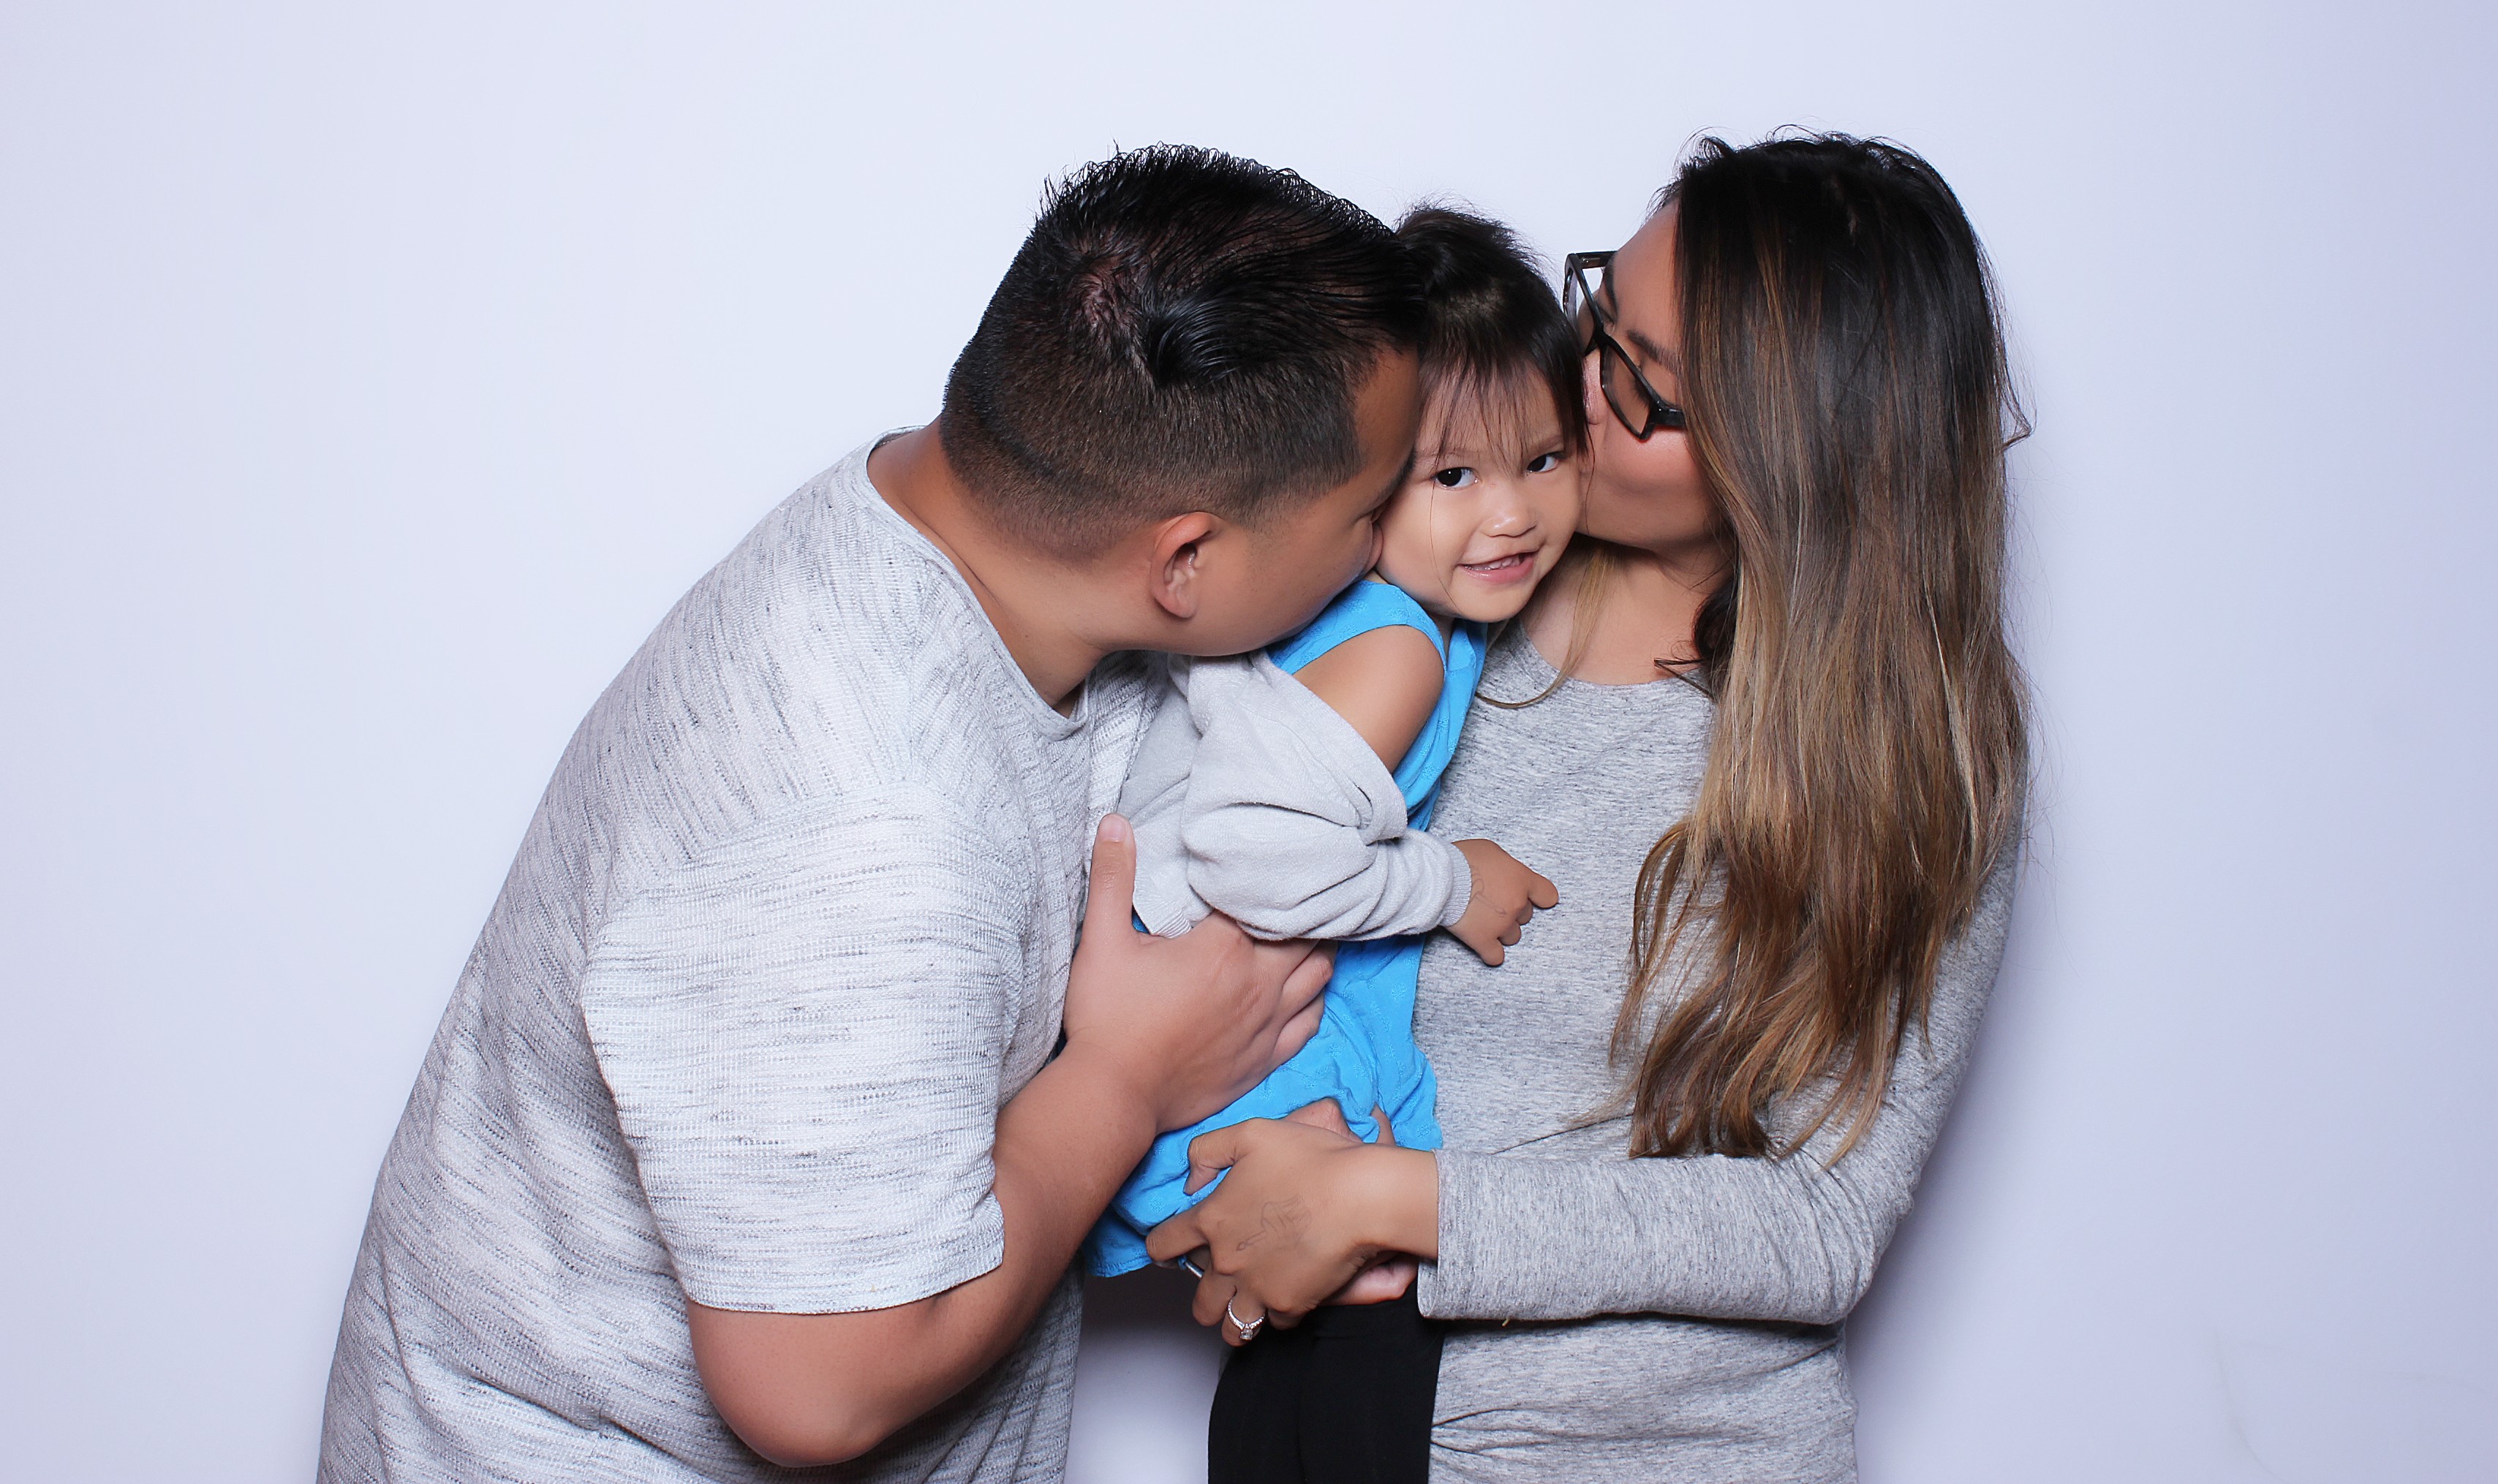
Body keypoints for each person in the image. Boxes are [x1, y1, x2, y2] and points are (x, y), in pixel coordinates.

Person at [317, 145, 1428, 1483]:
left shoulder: (957, 510)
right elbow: (814, 1388)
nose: (1386, 543)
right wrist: (1128, 1081)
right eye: (1369, 509)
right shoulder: (870, 821)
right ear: (1184, 557)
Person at [1150, 132, 2031, 1483]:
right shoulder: (1421, 585)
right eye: (1595, 314)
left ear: (1797, 455)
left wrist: (1389, 1201)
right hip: (1330, 1415)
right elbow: (1190, 884)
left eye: (1639, 382)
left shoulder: (1917, 751)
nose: (1574, 384)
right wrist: (1226, 1176)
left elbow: (1820, 1224)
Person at [1085, 206, 1582, 1484]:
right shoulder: (1396, 648)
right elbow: (1251, 860)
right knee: (1377, 1310)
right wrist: (1450, 883)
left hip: (1226, 1034)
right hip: (1238, 1043)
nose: (1513, 514)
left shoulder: (1381, 614)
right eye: (1452, 477)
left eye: (1544, 459)